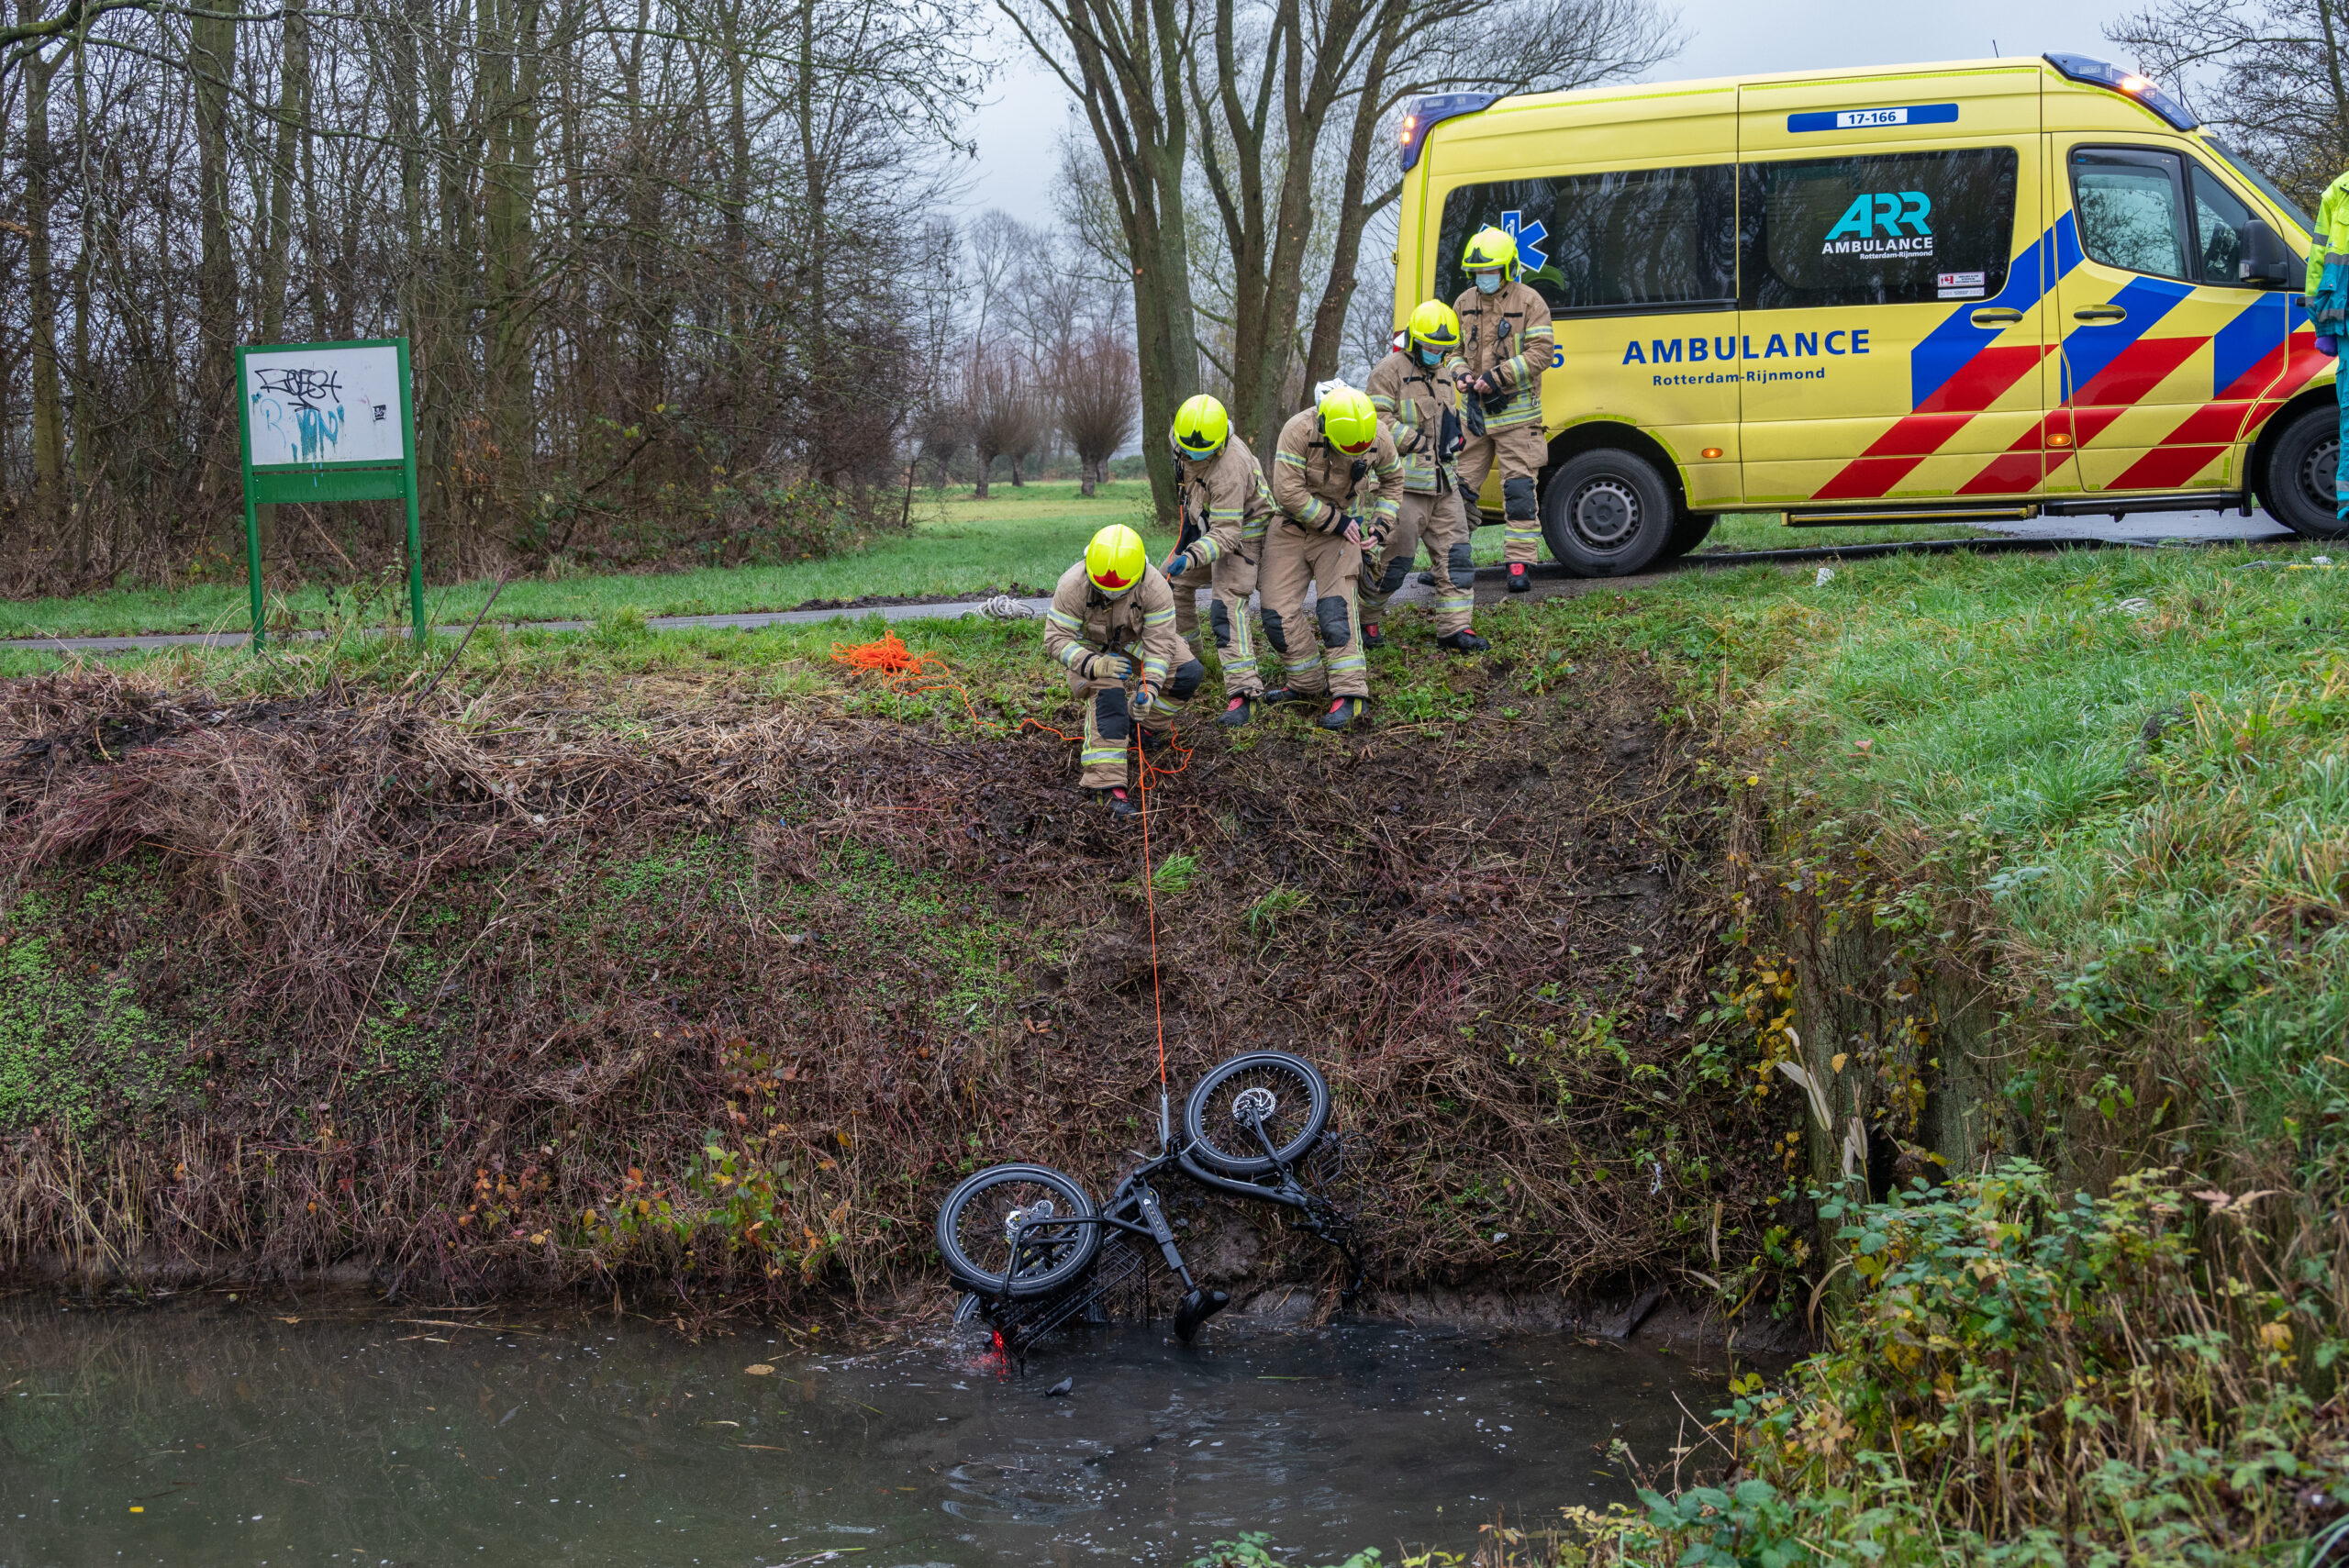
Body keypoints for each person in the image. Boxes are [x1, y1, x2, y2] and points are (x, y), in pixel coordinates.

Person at [1262, 384, 1404, 729]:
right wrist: (1337, 522)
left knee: (1335, 609)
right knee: (1275, 613)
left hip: (1342, 531)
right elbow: (1287, 492)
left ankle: (1351, 694)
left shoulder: (1378, 434)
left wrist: (1380, 527)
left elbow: (1393, 479)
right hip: (1294, 526)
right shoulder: (1297, 431)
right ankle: (1307, 683)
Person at [1042, 523, 1204, 818]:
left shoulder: (1156, 587)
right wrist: (1094, 664)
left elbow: (1160, 645)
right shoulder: (1072, 585)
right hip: (1088, 652)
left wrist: (1150, 689)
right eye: (1102, 591)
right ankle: (1106, 787)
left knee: (1187, 672)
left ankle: (1141, 727)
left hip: (1135, 643)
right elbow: (1055, 639)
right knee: (1110, 691)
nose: (1110, 596)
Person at [1362, 300, 1489, 653]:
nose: (1437, 354)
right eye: (1431, 347)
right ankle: (1366, 618)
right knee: (1395, 562)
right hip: (1403, 487)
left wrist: (1457, 448)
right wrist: (1413, 440)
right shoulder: (1389, 371)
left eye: (1443, 349)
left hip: (1444, 485)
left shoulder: (1445, 375)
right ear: (1415, 341)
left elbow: (1446, 426)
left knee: (1457, 557)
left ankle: (1455, 629)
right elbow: (1373, 420)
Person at [1163, 394, 1277, 728]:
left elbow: (1228, 533)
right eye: (1187, 449)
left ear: (1221, 442)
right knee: (1170, 585)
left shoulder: (1230, 466)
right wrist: (1190, 539)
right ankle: (1187, 658)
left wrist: (1193, 555)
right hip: (1208, 526)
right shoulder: (1182, 436)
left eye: (1202, 451)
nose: (1193, 454)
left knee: (1226, 605)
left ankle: (1246, 693)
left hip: (1245, 533)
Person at [1451, 226, 1555, 593]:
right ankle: (1450, 561)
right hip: (1473, 417)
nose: (1484, 278)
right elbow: (1452, 352)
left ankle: (1518, 565)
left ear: (1508, 268)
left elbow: (1542, 353)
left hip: (1518, 419)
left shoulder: (1531, 302)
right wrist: (1461, 374)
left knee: (1519, 494)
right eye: (1478, 273)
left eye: (1491, 271)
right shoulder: (1463, 302)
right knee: (1456, 492)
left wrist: (1499, 376)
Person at [2309, 167, 2349, 519]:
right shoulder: (2339, 191)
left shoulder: (2340, 190)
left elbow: (2320, 260)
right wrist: (2321, 323)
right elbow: (2319, 261)